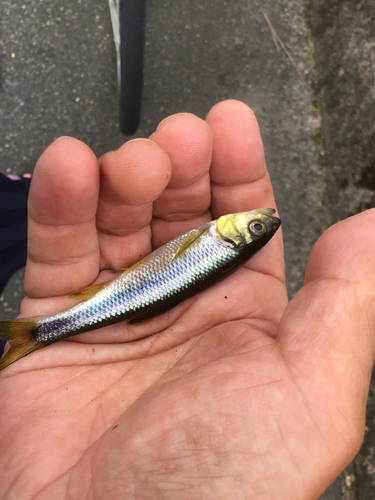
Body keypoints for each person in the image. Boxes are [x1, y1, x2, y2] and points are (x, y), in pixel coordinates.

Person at [0, 100, 372, 499]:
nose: (259, 217)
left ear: (238, 235)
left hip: (124, 296)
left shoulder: (217, 239)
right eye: (260, 225)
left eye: (257, 225)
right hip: (133, 295)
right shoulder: (221, 245)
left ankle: (38, 331)